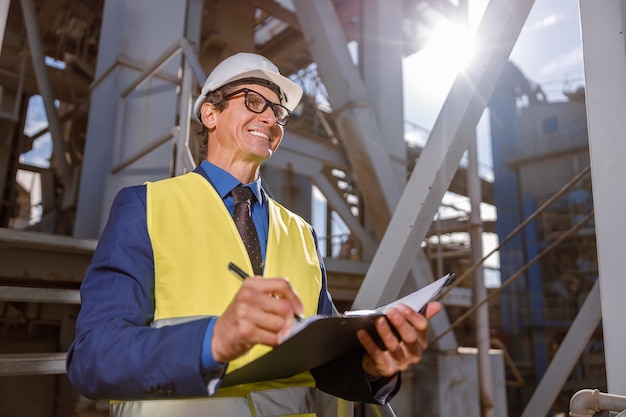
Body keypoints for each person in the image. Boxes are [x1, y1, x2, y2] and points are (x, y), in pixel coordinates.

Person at [66, 52, 441, 417]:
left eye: (278, 112)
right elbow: (94, 358)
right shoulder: (146, 206)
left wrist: (375, 364)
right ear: (209, 114)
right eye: (253, 101)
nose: (271, 118)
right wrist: (213, 339)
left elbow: (324, 363)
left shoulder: (302, 234)